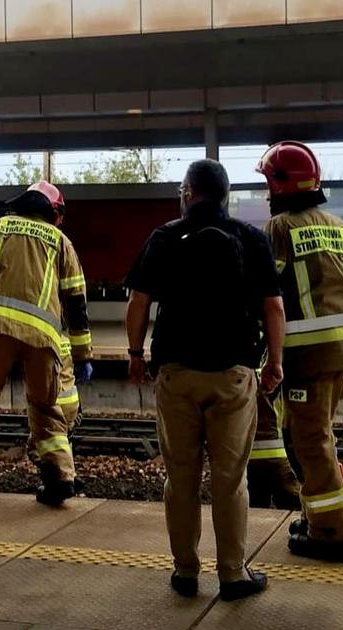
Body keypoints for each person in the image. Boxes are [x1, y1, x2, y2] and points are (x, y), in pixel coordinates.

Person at [125, 159, 284, 601]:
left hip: (177, 375)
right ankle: (233, 574)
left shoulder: (164, 236)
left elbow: (138, 302)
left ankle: (185, 572)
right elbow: (273, 308)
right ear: (225, 195)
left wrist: (136, 355)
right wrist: (275, 363)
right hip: (233, 376)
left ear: (189, 192)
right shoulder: (249, 238)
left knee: (181, 478)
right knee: (231, 480)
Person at [0, 181, 93, 507]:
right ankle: (61, 477)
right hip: (43, 338)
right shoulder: (62, 242)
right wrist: (83, 354)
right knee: (46, 409)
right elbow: (76, 302)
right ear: (53, 212)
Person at [254, 141, 343, 562]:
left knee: (310, 444)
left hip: (307, 354)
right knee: (313, 437)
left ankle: (334, 533)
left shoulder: (279, 230)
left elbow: (266, 294)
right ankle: (315, 518)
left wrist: (261, 348)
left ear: (281, 184)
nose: (266, 191)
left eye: (268, 181)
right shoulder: (336, 224)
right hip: (342, 350)